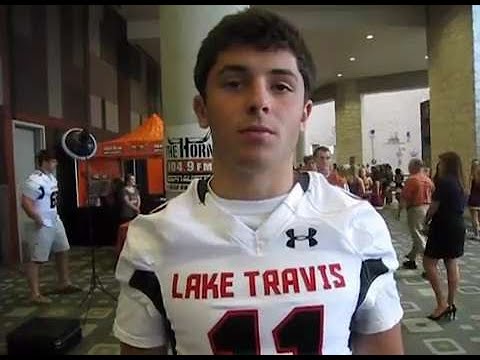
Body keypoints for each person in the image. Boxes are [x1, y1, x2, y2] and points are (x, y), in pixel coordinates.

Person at [113, 8, 403, 355]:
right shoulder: (153, 237)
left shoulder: (357, 223)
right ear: (202, 109)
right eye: (234, 84)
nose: (259, 101)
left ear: (304, 113)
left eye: (280, 86)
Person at [21, 149, 81, 304]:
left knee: (62, 250)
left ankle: (63, 282)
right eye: (53, 161)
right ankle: (34, 294)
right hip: (42, 223)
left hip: (55, 219)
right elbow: (25, 202)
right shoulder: (34, 181)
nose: (56, 163)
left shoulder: (51, 178)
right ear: (45, 162)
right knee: (37, 258)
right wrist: (36, 217)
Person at [423, 152, 466, 321]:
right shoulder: (459, 182)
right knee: (451, 262)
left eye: (440, 162)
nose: (438, 165)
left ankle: (441, 302)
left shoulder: (444, 182)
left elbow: (434, 207)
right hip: (458, 224)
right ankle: (451, 302)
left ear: (447, 164)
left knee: (429, 262)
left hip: (443, 225)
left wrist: (425, 221)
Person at [397, 159, 434, 270]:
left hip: (415, 208)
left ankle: (429, 266)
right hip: (427, 207)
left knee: (417, 234)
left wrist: (399, 212)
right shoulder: (428, 180)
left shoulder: (412, 180)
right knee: (419, 234)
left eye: (409, 166)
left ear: (414, 167)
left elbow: (405, 197)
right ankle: (412, 259)